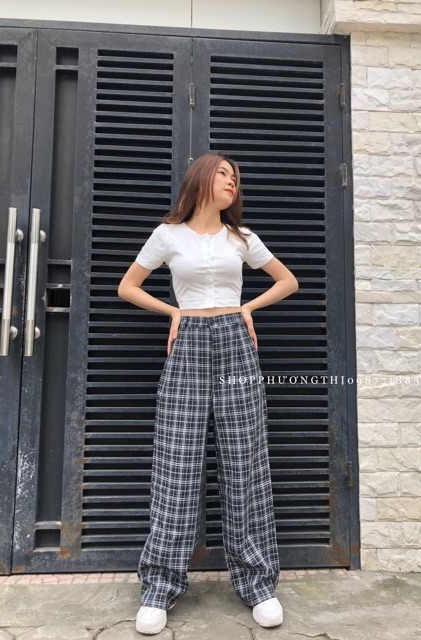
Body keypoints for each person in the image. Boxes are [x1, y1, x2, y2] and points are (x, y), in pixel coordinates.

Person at [118, 152, 299, 635]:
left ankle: (258, 583)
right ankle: (160, 586)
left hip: (236, 341)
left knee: (245, 459)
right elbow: (128, 287)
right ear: (200, 179)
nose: (231, 181)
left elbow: (287, 281)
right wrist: (174, 313)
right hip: (189, 341)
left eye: (235, 177)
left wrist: (247, 309)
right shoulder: (168, 235)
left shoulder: (242, 238)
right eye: (223, 173)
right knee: (177, 461)